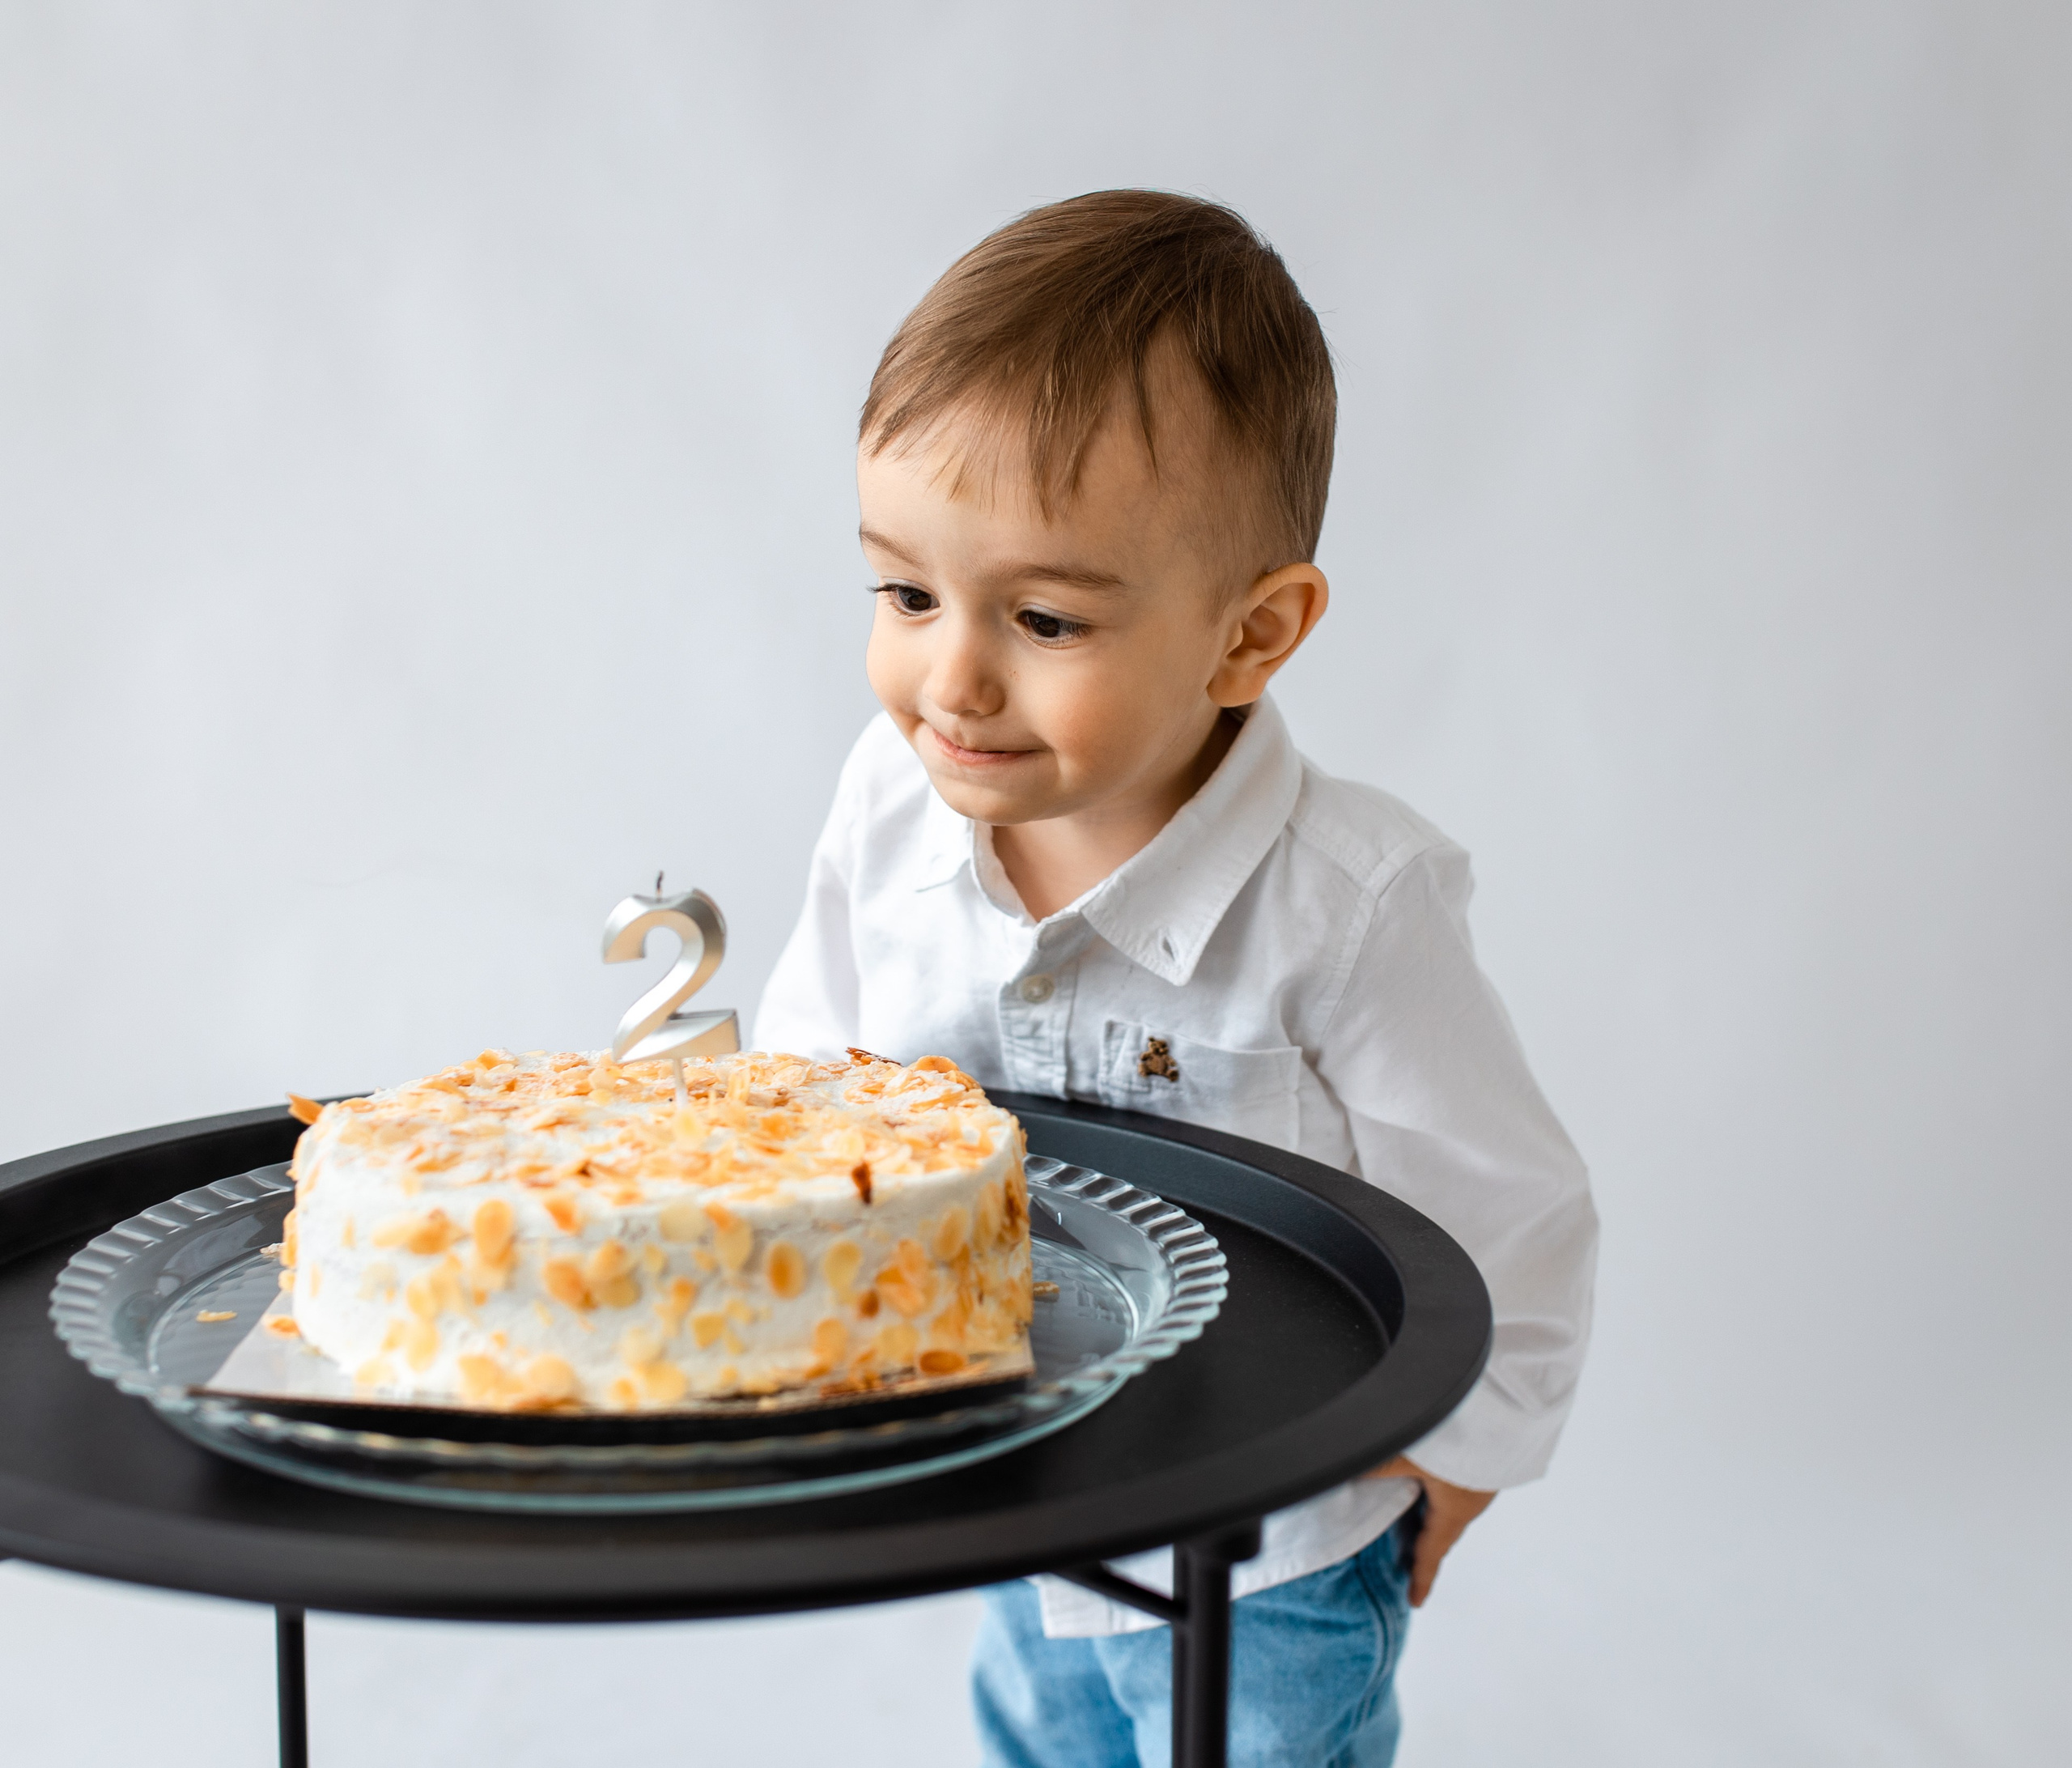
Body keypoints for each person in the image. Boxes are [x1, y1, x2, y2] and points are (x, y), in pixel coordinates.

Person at [754, 189, 1597, 1768]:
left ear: (1247, 637)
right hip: (1021, 1480)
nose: (950, 677)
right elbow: (813, 1062)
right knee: (1037, 1739)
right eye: (904, 594)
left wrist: (1462, 1462)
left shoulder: (1343, 906)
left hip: (1273, 1538)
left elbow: (1507, 1207)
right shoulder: (888, 806)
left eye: (1045, 615)